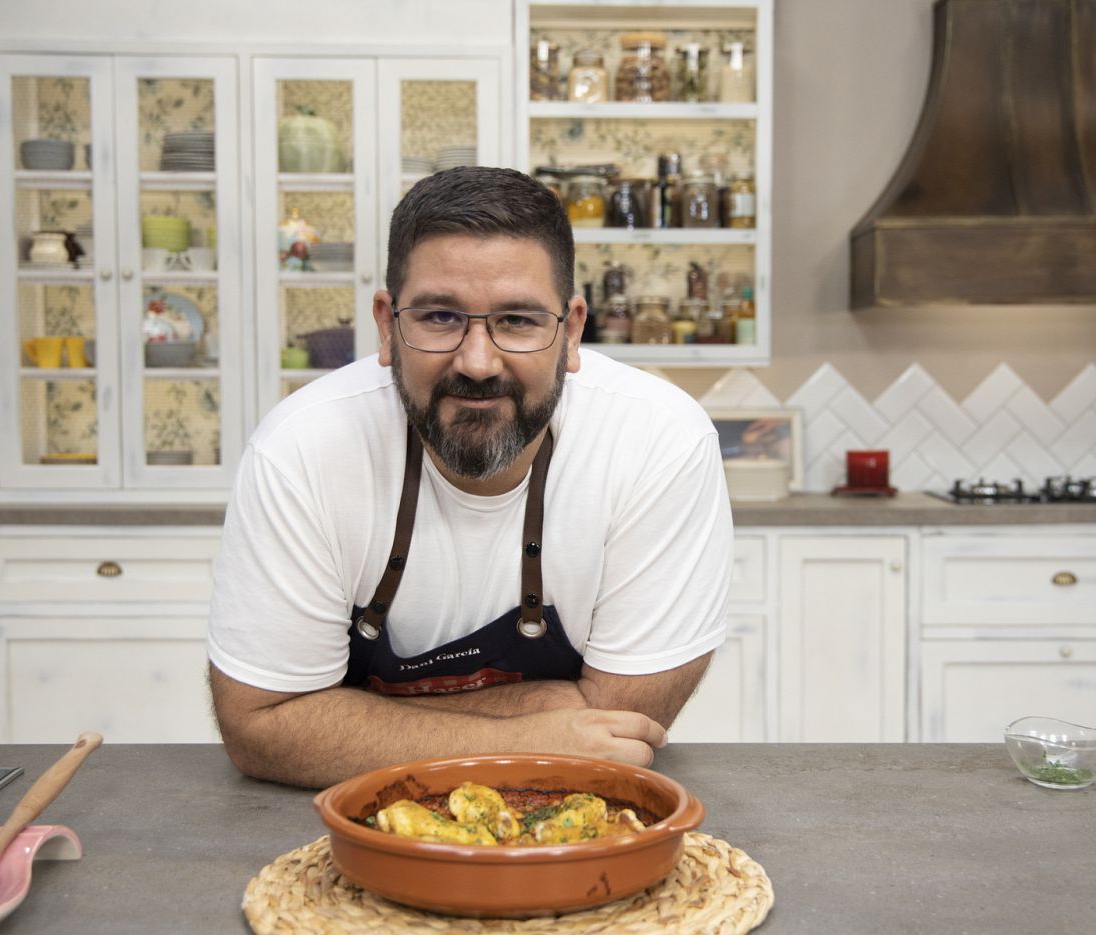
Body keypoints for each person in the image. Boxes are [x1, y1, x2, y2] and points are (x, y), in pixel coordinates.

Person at [206, 166, 733, 788]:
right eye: (438, 317)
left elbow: (620, 725)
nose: (477, 362)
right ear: (385, 325)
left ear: (571, 333)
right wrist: (532, 733)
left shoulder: (658, 442)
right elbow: (261, 729)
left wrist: (343, 726)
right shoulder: (301, 449)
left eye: (517, 320)